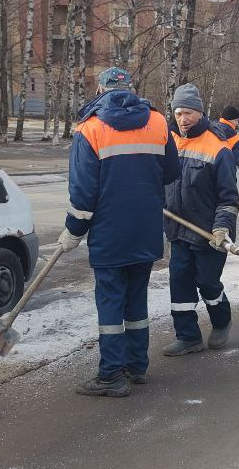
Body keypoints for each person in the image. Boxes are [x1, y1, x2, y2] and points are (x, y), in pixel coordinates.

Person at [59, 67, 179, 397]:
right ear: (131, 88)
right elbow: (171, 173)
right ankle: (137, 366)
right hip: (145, 229)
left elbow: (83, 192)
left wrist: (73, 230)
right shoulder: (157, 122)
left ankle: (111, 374)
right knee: (136, 299)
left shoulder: (90, 127)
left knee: (111, 302)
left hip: (110, 233)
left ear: (100, 89)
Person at [163, 83, 239, 356]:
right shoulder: (168, 142)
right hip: (178, 229)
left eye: (188, 113)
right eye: (179, 113)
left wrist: (222, 228)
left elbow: (229, 198)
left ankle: (221, 320)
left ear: (199, 113)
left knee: (207, 282)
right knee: (179, 281)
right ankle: (188, 337)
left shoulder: (218, 148)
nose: (183, 119)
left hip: (209, 233)